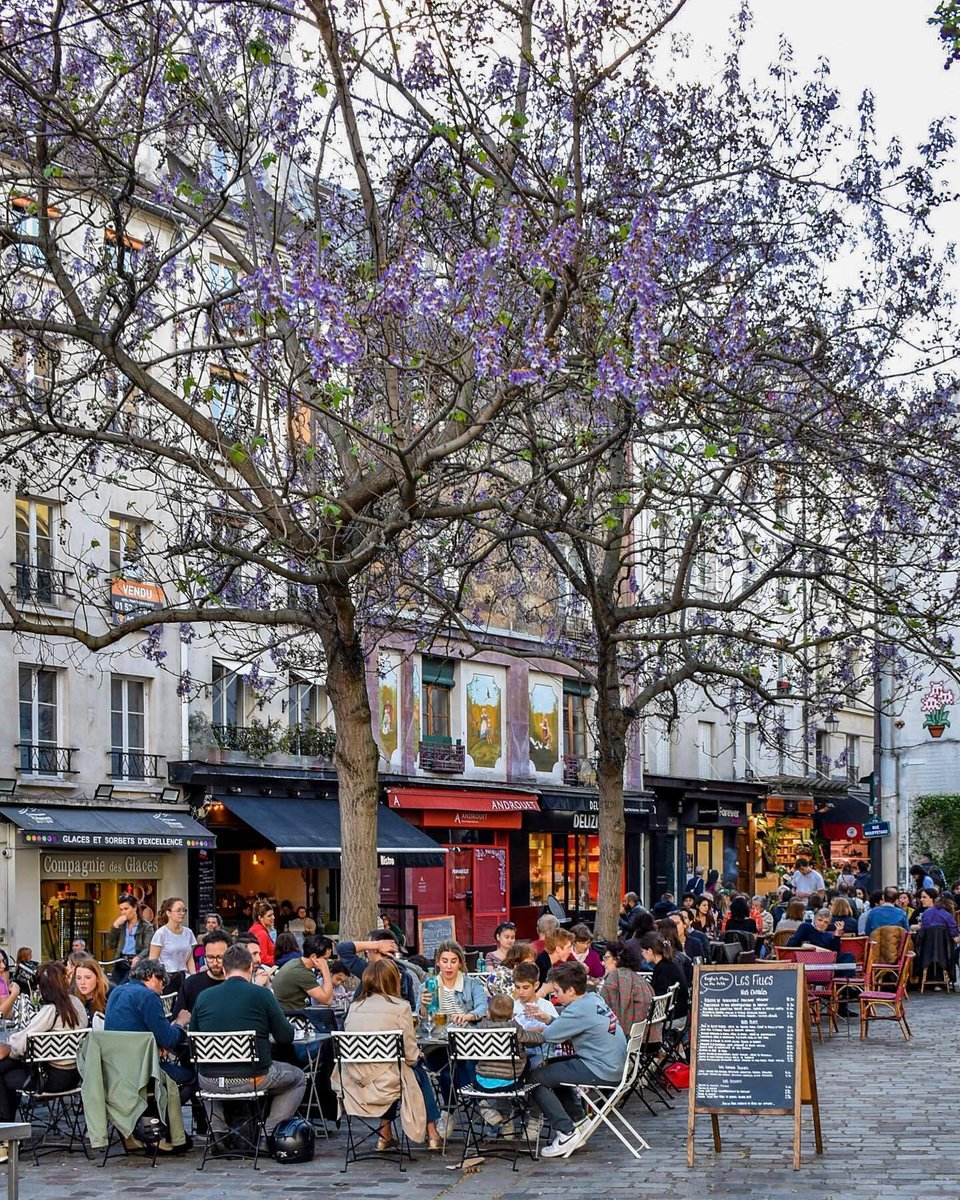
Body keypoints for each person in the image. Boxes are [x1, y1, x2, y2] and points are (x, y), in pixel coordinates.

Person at [190, 942, 305, 1145]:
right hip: (253, 1077)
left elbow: (194, 1037)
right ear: (251, 968)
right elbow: (285, 1037)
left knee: (211, 1074)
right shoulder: (261, 995)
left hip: (209, 1080)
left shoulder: (203, 997)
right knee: (298, 1078)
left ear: (224, 970)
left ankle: (218, 1133)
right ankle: (267, 1134)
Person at [336, 958, 439, 1151]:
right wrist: (417, 1057)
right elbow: (409, 1055)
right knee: (414, 1071)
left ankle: (385, 1135)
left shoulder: (354, 1008)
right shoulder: (400, 1007)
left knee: (392, 1068)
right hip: (386, 1082)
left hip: (354, 1082)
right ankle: (432, 1133)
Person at [529, 961, 627, 1158]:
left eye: (557, 990)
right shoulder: (593, 999)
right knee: (555, 1067)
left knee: (534, 1079)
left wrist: (526, 1032)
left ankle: (566, 1133)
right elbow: (572, 1025)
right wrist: (549, 1020)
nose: (555, 995)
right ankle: (579, 1120)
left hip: (601, 1068)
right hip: (614, 1065)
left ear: (571, 990)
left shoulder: (578, 1009)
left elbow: (548, 1037)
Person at [0, 962, 85, 1133]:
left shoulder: (51, 1011)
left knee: (4, 1074)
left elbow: (21, 1043)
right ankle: (8, 1127)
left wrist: (9, 1047)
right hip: (75, 1074)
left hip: (50, 1078)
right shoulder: (76, 1004)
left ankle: (5, 1127)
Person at [104, 958, 192, 1087]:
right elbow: (169, 1040)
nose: (162, 990)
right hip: (142, 1071)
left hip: (114, 1070)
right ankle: (162, 1107)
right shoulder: (148, 996)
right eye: (162, 984)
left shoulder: (116, 991)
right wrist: (180, 1023)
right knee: (192, 1078)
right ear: (153, 976)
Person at [338, 930, 419, 1010]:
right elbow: (411, 1007)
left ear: (376, 949)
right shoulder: (404, 973)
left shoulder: (372, 971)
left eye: (369, 945)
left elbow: (343, 949)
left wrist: (377, 944)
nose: (366, 950)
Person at [421, 940, 488, 1023]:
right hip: (437, 1032)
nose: (449, 966)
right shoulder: (427, 986)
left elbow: (483, 1007)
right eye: (445, 961)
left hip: (465, 1031)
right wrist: (423, 1006)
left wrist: (467, 1017)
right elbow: (421, 1022)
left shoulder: (473, 984)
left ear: (460, 963)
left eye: (453, 962)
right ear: (438, 962)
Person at [173, 931, 232, 1025]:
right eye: (210, 957)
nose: (215, 962)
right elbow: (177, 1018)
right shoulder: (191, 984)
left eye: (220, 957)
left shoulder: (236, 984)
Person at [599, 941, 654, 1034]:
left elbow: (603, 1008)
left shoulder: (615, 978)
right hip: (645, 1033)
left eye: (606, 958)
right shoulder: (636, 978)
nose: (603, 963)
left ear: (617, 959)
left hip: (626, 1036)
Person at [271, 934, 334, 1009]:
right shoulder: (302, 973)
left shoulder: (295, 963)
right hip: (292, 1015)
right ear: (314, 957)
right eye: (325, 959)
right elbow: (327, 1000)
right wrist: (325, 970)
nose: (327, 962)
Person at [149, 897, 197, 993]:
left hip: (183, 976)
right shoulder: (161, 933)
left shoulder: (188, 932)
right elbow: (153, 960)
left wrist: (194, 977)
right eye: (178, 911)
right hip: (166, 977)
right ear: (168, 913)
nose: (182, 913)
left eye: (184, 910)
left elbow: (189, 957)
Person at [636, 932, 689, 1019]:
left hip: (672, 1017)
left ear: (649, 951)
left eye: (642, 951)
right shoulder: (669, 964)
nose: (642, 954)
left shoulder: (664, 969)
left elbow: (659, 997)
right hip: (679, 1013)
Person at [106, 893, 154, 977]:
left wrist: (138, 958)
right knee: (112, 987)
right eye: (121, 910)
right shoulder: (121, 925)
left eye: (126, 909)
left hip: (135, 963)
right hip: (120, 961)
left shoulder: (146, 926)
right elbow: (110, 945)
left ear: (135, 908)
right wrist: (115, 926)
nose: (123, 912)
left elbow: (147, 948)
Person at [786, 909, 855, 961]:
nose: (822, 924)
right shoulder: (806, 927)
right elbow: (790, 945)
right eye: (820, 920)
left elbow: (835, 955)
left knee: (848, 956)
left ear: (828, 924)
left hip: (825, 963)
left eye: (826, 922)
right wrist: (810, 947)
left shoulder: (828, 935)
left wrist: (837, 935)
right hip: (806, 961)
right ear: (814, 919)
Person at [70, 954, 110, 1023]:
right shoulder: (72, 996)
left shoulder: (110, 995)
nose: (82, 982)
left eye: (88, 977)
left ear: (97, 978)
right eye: (78, 978)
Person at [247, 901, 277, 968]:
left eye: (273, 914)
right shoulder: (262, 933)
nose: (273, 917)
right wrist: (279, 958)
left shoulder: (254, 928)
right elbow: (263, 959)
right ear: (260, 917)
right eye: (269, 916)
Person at [0, 951, 20, 1021]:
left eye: (3, 961)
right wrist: (14, 994)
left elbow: (7, 1015)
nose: (3, 966)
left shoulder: (1, 983)